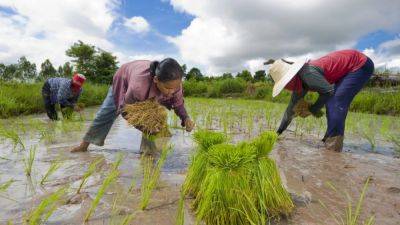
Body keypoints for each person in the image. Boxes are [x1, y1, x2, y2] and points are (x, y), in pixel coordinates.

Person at [71, 58, 195, 152]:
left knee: (155, 118)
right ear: (156, 80)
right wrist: (145, 124)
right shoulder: (138, 87)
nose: (172, 92)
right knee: (106, 113)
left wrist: (186, 118)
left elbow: (178, 104)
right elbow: (126, 110)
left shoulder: (174, 85)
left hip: (147, 86)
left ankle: (148, 152)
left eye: (175, 88)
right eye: (168, 88)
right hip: (123, 79)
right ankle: (84, 145)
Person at [265, 49, 374, 152]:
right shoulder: (299, 85)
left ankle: (333, 149)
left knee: (335, 102)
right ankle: (328, 139)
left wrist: (313, 109)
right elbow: (290, 111)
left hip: (359, 65)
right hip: (347, 69)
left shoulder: (308, 73)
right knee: (330, 103)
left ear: (291, 77)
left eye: (285, 83)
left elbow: (328, 92)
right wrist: (278, 133)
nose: (286, 87)